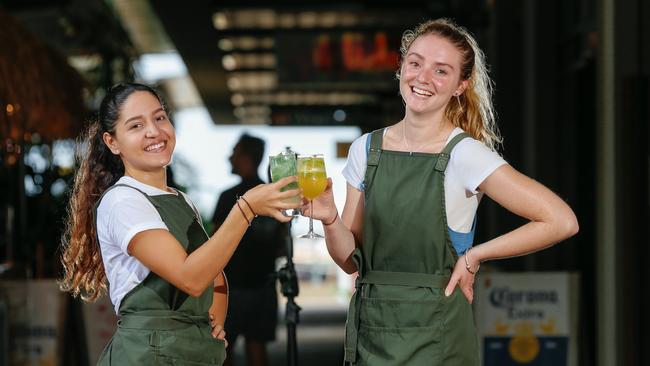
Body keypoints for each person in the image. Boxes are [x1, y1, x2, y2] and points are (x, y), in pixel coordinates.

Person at [303, 19, 579, 365]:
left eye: (441, 71)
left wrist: (475, 256)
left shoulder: (465, 154)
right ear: (401, 66)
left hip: (439, 337)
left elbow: (560, 220)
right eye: (415, 63)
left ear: (461, 85)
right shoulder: (365, 150)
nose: (422, 78)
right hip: (370, 333)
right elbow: (349, 261)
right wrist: (330, 218)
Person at [59, 83, 300, 366]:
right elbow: (191, 278)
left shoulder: (181, 200)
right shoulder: (123, 201)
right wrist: (245, 209)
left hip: (189, 352)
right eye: (136, 126)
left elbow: (215, 276)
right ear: (112, 142)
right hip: (147, 354)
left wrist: (214, 327)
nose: (154, 131)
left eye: (159, 118)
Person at [212, 134, 286, 366]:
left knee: (222, 349)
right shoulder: (275, 195)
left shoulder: (227, 197)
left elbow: (214, 246)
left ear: (245, 157)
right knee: (257, 348)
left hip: (231, 288)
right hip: (263, 285)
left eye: (234, 151)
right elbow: (282, 245)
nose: (229, 157)